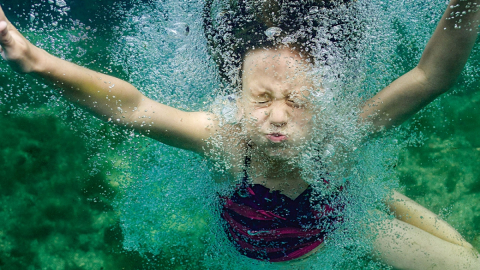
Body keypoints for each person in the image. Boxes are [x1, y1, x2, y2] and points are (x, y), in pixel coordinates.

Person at [1, 0, 479, 268]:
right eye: (261, 98)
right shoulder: (223, 139)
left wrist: (466, 7)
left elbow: (429, 77)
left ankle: (379, 197)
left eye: (297, 101)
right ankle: (376, 195)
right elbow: (132, 107)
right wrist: (34, 60)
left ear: (324, 97)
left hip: (337, 229)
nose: (275, 117)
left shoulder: (343, 133)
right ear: (238, 92)